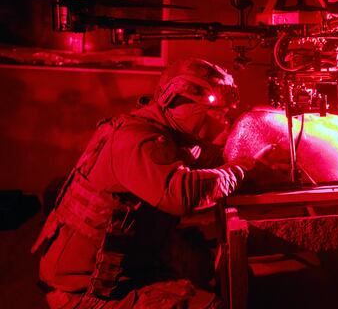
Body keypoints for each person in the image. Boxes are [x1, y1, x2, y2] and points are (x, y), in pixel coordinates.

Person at [31, 58, 277, 309]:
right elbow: (181, 193)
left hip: (120, 277)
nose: (222, 121)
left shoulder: (172, 134)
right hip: (83, 293)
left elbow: (214, 157)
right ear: (178, 102)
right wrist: (242, 169)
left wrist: (258, 156)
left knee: (211, 285)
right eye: (214, 113)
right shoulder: (138, 138)